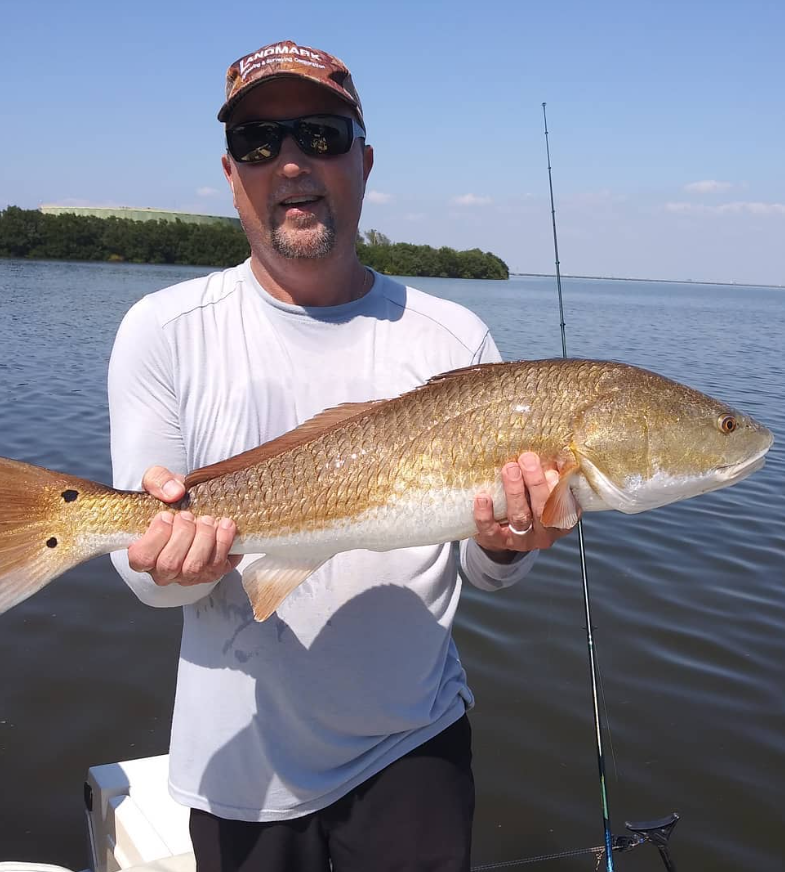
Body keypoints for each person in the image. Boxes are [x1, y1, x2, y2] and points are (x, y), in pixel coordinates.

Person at [109, 39, 574, 872]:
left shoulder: (455, 338)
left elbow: (487, 569)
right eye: (260, 143)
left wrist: (509, 543)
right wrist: (167, 566)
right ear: (230, 172)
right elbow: (144, 579)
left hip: (416, 748)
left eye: (319, 136)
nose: (290, 163)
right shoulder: (162, 330)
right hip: (239, 764)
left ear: (363, 160)